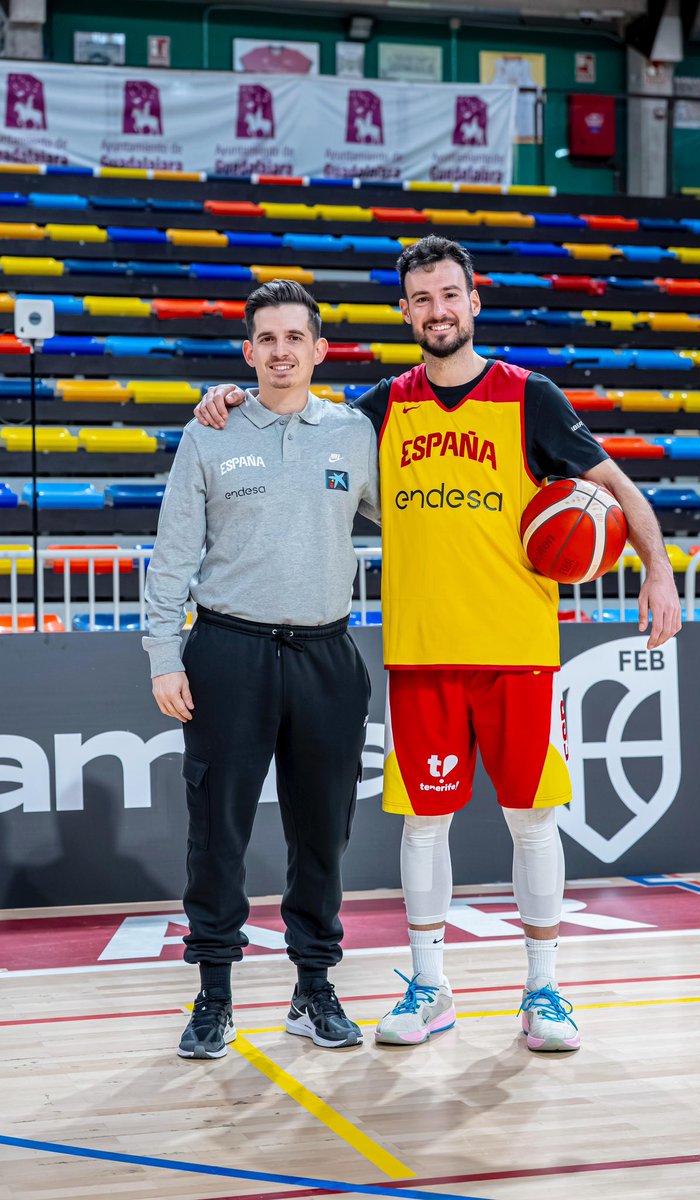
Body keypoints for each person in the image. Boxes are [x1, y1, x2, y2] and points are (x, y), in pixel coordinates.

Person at [194, 235, 682, 1053]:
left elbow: (619, 490)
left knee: (534, 821)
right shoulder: (381, 408)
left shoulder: (531, 397)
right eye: (421, 299)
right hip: (419, 653)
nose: (437, 310)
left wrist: (658, 573)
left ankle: (544, 991)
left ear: (473, 302)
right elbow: (295, 417)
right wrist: (231, 397)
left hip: (518, 647)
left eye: (449, 295)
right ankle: (430, 987)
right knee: (425, 826)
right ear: (406, 311)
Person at [144, 280, 380, 1058]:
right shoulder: (209, 432)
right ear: (248, 353)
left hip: (327, 655)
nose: (281, 352)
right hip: (227, 652)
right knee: (218, 833)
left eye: (294, 339)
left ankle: (314, 989)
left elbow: (411, 523)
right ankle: (213, 994)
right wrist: (161, 657)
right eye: (267, 340)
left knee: (324, 834)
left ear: (320, 350)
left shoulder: (354, 434)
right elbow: (173, 554)